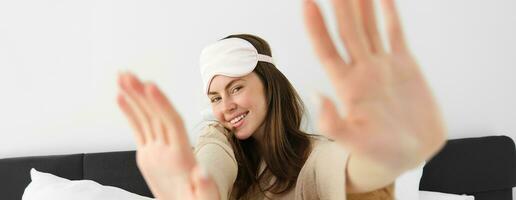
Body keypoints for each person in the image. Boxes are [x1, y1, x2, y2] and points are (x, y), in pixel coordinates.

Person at [116, 0, 447, 199]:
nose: (225, 106)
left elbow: (344, 170)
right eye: (215, 97)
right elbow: (211, 167)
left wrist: (385, 156)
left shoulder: (311, 155)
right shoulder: (217, 138)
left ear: (268, 85)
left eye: (236, 88)